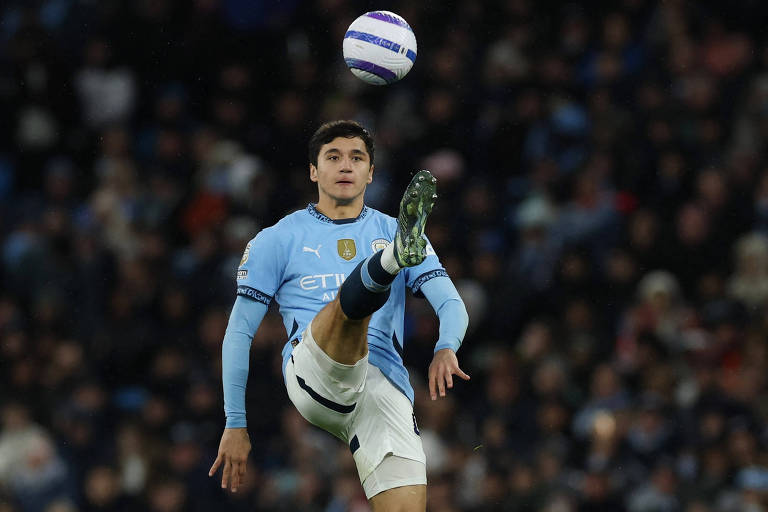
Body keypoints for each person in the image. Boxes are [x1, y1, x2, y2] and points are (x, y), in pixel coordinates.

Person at [208, 120, 469, 510]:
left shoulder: (393, 227)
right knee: (348, 314)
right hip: (314, 370)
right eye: (333, 157)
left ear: (370, 172)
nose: (345, 166)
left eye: (356, 158)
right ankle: (388, 262)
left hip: (383, 388)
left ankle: (386, 264)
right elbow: (239, 332)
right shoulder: (277, 239)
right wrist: (234, 420)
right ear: (314, 170)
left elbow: (451, 303)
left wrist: (446, 346)